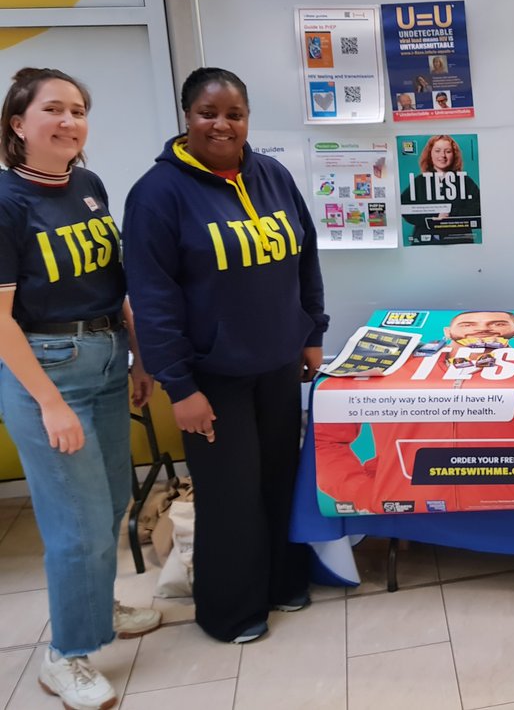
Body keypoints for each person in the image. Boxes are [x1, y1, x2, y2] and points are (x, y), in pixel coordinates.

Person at [123, 68, 328, 645]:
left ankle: (282, 582)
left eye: (234, 114)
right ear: (187, 117)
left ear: (247, 119)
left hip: (278, 365)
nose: (222, 124)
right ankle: (231, 611)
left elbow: (303, 259)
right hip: (212, 380)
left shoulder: (271, 175)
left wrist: (311, 333)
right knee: (230, 497)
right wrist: (180, 387)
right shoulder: (157, 195)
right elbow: (154, 300)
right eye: (208, 113)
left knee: (279, 481)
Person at [0, 68, 161, 710]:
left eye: (79, 110)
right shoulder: (7, 202)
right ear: (18, 123)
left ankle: (100, 608)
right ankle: (65, 657)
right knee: (78, 527)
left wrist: (140, 358)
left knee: (115, 500)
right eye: (54, 110)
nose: (70, 122)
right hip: (46, 369)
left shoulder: (86, 186)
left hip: (105, 357)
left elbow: (114, 284)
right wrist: (48, 402)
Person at [313, 310, 514, 513]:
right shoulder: (393, 367)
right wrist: (364, 493)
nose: (482, 328)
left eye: (498, 322)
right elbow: (325, 439)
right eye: (468, 323)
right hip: (405, 504)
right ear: (447, 332)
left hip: (512, 508)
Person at [400, 134, 481, 245]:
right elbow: (405, 208)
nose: (442, 155)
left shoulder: (465, 181)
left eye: (448, 151)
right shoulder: (419, 182)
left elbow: (478, 208)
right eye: (437, 151)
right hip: (426, 244)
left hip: (460, 243)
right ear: (430, 154)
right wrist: (432, 216)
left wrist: (450, 213)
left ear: (454, 155)